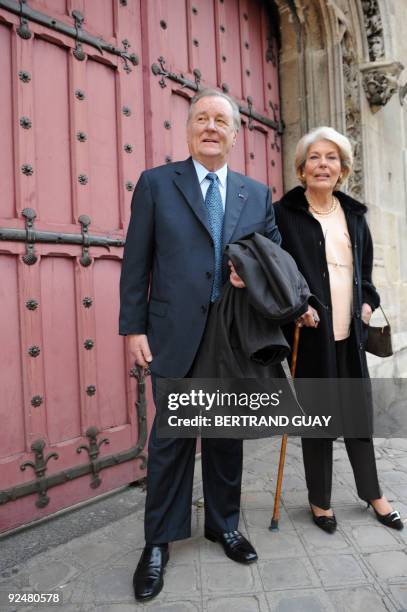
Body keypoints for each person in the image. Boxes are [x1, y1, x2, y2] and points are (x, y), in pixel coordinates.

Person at [119, 88, 281, 602]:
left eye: (221, 121)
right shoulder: (156, 184)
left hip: (232, 333)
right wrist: (133, 328)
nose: (211, 127)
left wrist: (248, 275)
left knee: (225, 436)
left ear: (236, 134)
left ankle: (224, 525)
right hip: (173, 332)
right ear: (189, 130)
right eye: (202, 119)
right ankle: (159, 543)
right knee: (170, 443)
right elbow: (136, 262)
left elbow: (271, 252)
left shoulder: (255, 194)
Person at [274, 126, 403, 534]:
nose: (323, 165)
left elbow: (365, 277)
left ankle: (373, 494)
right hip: (310, 335)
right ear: (301, 167)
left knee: (358, 416)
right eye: (314, 157)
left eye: (331, 158)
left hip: (352, 336)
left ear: (342, 169)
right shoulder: (283, 214)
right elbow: (276, 273)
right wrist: (296, 308)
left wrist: (367, 304)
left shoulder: (354, 216)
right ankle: (319, 500)